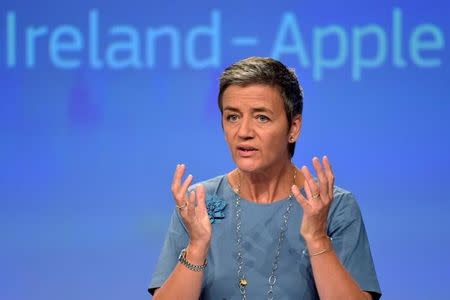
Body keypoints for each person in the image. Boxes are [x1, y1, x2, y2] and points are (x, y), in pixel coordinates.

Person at [148, 57, 381, 299]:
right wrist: (196, 247)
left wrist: (318, 239)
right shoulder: (197, 203)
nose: (244, 132)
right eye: (232, 117)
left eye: (262, 117)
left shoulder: (333, 206)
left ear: (293, 127)